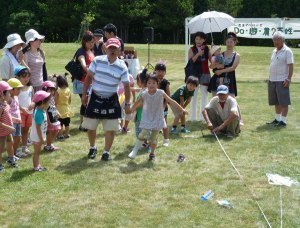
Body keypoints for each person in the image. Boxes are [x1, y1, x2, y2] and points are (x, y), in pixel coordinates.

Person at [81, 38, 131, 161]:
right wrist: (84, 94)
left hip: (111, 99)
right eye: (110, 48)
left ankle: (106, 152)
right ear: (105, 49)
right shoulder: (97, 61)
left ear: (120, 50)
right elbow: (88, 78)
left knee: (110, 128)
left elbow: (127, 86)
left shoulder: (122, 66)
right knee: (91, 126)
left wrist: (128, 103)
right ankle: (93, 147)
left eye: (115, 48)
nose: (112, 50)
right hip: (95, 97)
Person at [128, 74, 187, 161]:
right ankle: (135, 150)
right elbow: (138, 103)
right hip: (147, 117)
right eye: (149, 83)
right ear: (146, 84)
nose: (151, 85)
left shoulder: (161, 93)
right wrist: (131, 109)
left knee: (154, 138)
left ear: (158, 84)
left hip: (158, 118)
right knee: (143, 133)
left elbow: (171, 101)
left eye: (154, 83)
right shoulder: (144, 94)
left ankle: (152, 154)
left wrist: (182, 109)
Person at [266, 31, 294, 127]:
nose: (275, 42)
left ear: (282, 40)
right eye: (274, 40)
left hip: (282, 80)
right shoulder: (274, 51)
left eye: (277, 40)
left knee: (284, 101)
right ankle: (277, 119)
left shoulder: (287, 51)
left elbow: (290, 66)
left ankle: (283, 121)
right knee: (276, 101)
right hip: (272, 79)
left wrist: (288, 79)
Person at [73, 31, 95, 131]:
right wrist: (87, 68)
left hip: (89, 82)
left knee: (87, 102)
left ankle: (85, 124)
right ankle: (82, 125)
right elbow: (83, 63)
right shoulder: (81, 51)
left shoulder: (91, 51)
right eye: (89, 42)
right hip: (81, 82)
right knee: (85, 102)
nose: (91, 44)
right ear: (84, 42)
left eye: (92, 42)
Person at [208, 32, 240, 97]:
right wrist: (216, 65)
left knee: (231, 102)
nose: (229, 44)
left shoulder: (237, 55)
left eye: (231, 42)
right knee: (216, 102)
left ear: (234, 43)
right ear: (225, 42)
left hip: (229, 81)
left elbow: (232, 68)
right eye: (228, 42)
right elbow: (211, 66)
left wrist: (221, 71)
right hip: (217, 80)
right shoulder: (220, 54)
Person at [188, 32, 211, 122]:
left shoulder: (207, 48)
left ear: (204, 40)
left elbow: (211, 60)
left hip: (205, 74)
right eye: (196, 39)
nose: (198, 41)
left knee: (204, 96)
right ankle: (193, 117)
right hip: (194, 75)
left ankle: (203, 117)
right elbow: (191, 61)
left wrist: (213, 51)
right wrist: (198, 54)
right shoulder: (192, 49)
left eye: (200, 39)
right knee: (194, 96)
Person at [15, 66, 34, 156]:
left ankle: (24, 146)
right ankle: (17, 149)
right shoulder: (17, 89)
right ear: (18, 77)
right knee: (18, 132)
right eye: (24, 76)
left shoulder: (30, 87)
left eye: (28, 76)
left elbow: (33, 99)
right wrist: (22, 109)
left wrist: (33, 104)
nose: (26, 79)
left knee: (26, 130)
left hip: (29, 113)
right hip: (20, 113)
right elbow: (14, 102)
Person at [30, 90, 51, 171]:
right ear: (42, 102)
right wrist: (41, 139)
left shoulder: (41, 110)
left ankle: (37, 165)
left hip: (39, 136)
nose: (49, 102)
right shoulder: (39, 113)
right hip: (37, 137)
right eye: (48, 101)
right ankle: (36, 167)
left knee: (38, 152)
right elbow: (38, 127)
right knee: (37, 152)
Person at [0, 81, 18, 171]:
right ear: (1, 94)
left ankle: (11, 159)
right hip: (2, 132)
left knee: (10, 143)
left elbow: (8, 115)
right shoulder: (0, 107)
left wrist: (15, 119)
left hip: (8, 130)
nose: (10, 94)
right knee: (1, 147)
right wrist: (9, 127)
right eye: (7, 92)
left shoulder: (6, 104)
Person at [42, 81, 61, 152]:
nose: (52, 92)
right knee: (50, 131)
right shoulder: (45, 100)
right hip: (49, 118)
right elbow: (45, 111)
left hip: (54, 116)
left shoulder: (52, 98)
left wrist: (57, 112)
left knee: (56, 130)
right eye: (50, 90)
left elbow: (54, 106)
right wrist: (48, 121)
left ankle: (49, 143)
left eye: (53, 90)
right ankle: (48, 145)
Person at [7, 78, 24, 158]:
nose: (19, 91)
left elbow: (17, 106)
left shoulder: (16, 97)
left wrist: (23, 110)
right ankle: (11, 155)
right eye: (18, 89)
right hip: (12, 122)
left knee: (18, 138)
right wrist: (14, 119)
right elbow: (7, 113)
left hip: (18, 122)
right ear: (11, 90)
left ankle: (14, 153)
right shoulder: (8, 100)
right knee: (11, 140)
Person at [155, 62, 170, 147]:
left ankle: (166, 140)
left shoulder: (166, 82)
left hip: (163, 106)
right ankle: (152, 140)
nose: (160, 73)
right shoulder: (152, 80)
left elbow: (168, 95)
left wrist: (164, 106)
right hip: (153, 106)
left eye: (162, 71)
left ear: (165, 72)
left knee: (164, 124)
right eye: (158, 71)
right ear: (155, 71)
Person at [118, 61, 135, 133]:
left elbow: (132, 88)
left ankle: (124, 127)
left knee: (127, 111)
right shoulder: (117, 75)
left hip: (126, 96)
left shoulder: (129, 76)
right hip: (119, 96)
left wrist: (134, 97)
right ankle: (121, 127)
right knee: (122, 111)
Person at [55, 74, 74, 139]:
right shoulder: (68, 90)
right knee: (67, 123)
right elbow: (70, 99)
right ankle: (67, 134)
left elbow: (56, 101)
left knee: (60, 123)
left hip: (59, 109)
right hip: (66, 109)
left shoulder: (58, 91)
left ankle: (60, 135)